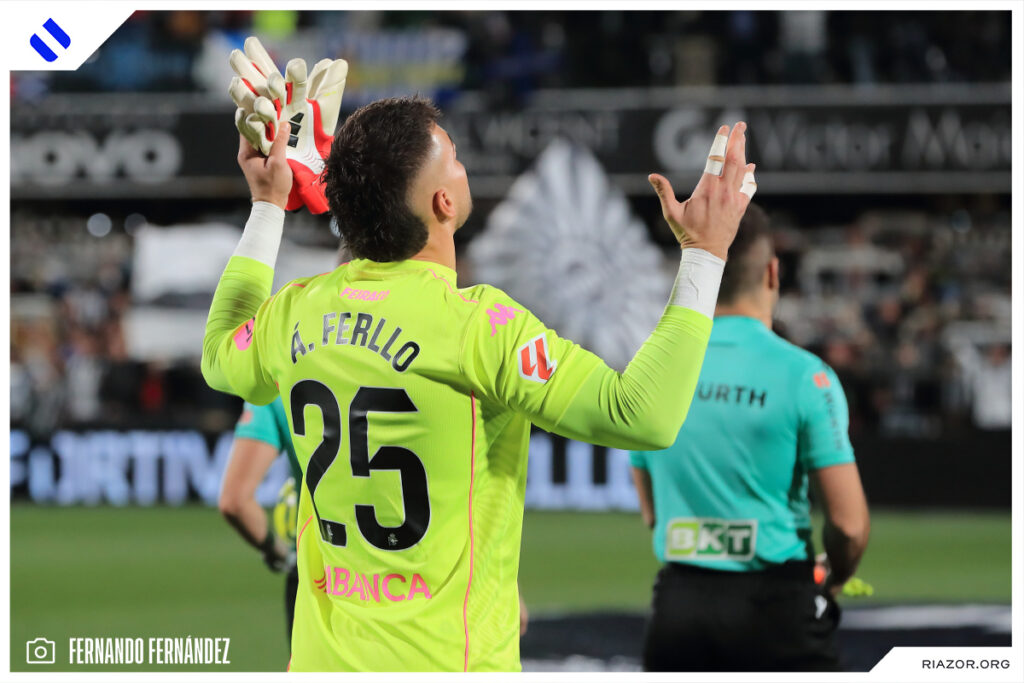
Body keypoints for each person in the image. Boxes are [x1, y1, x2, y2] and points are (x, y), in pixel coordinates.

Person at [202, 94, 754, 670]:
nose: (464, 170)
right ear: (444, 201)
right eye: (457, 160)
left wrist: (267, 203)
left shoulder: (297, 311)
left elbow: (219, 356)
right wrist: (705, 254)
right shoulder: (479, 327)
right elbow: (643, 415)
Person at [630, 203, 871, 672]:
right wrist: (835, 575)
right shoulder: (806, 377)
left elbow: (651, 511)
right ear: (773, 273)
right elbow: (849, 526)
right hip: (777, 611)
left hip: (678, 614)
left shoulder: (653, 369)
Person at [218, 398, 302, 644]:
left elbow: (234, 501)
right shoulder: (412, 367)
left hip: (318, 576)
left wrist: (280, 554)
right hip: (410, 575)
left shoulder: (274, 384)